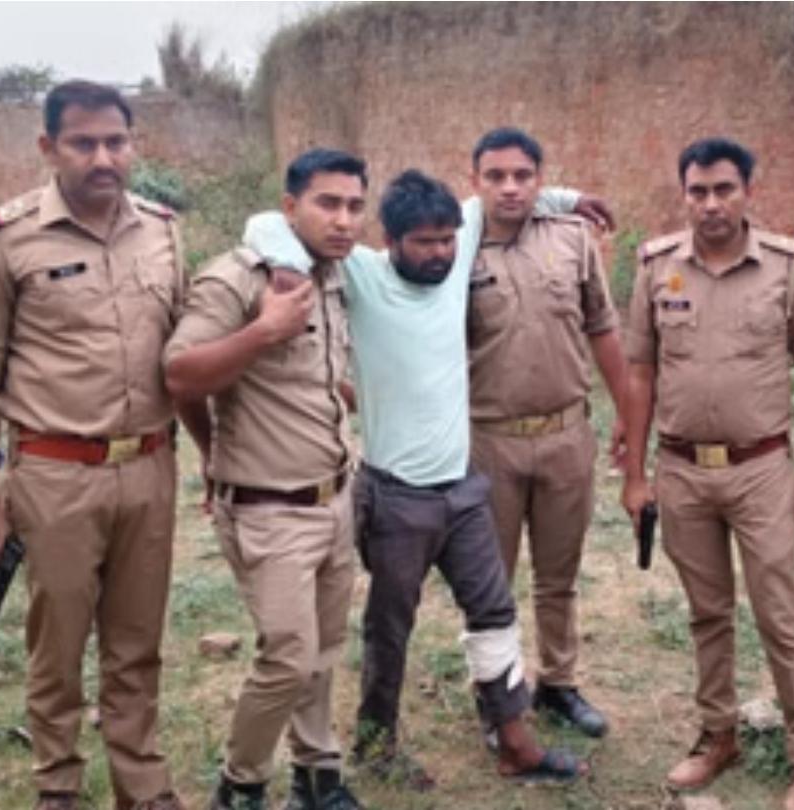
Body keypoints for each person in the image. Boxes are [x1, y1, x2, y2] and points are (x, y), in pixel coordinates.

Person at [243, 167, 600, 788]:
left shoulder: (456, 257)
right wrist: (289, 268)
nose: (440, 253)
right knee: (390, 627)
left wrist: (571, 197)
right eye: (424, 243)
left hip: (462, 489)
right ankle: (377, 745)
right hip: (393, 498)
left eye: (447, 240)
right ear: (390, 240)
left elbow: (502, 194)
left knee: (494, 612)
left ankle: (514, 741)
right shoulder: (362, 274)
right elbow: (265, 222)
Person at [0, 80, 189, 810]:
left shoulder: (163, 231)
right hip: (55, 475)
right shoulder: (6, 239)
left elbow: (183, 353)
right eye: (83, 143)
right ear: (49, 147)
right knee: (57, 646)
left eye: (116, 141)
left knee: (137, 643)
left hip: (149, 467)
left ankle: (142, 786)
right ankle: (57, 785)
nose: (103, 157)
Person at [620, 137, 794, 810]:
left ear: (747, 192)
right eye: (698, 191)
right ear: (683, 195)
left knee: (779, 614)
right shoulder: (656, 267)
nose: (710, 204)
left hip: (760, 469)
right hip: (682, 470)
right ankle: (717, 735)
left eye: (723, 190)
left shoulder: (786, 266)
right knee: (707, 613)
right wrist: (635, 474)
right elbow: (639, 373)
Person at [163, 150, 368, 810]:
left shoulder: (330, 276)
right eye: (327, 203)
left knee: (324, 648)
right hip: (267, 508)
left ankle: (316, 774)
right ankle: (241, 783)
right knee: (287, 655)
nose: (343, 219)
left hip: (334, 496)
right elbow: (181, 375)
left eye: (354, 206)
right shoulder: (235, 279)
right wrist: (263, 332)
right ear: (289, 207)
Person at [465, 127, 629, 738]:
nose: (510, 188)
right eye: (496, 176)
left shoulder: (571, 238)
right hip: (490, 440)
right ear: (475, 181)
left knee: (559, 575)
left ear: (541, 179)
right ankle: (498, 696)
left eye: (523, 176)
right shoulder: (455, 248)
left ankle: (559, 683)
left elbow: (603, 329)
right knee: (491, 581)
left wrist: (629, 417)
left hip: (566, 435)